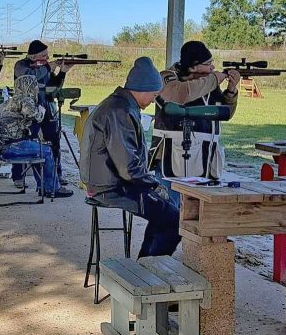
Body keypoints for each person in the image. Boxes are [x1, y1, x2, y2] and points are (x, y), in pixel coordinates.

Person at [79, 57, 180, 257]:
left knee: (166, 211)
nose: (154, 100)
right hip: (110, 187)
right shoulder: (119, 111)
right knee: (173, 218)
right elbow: (128, 168)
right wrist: (153, 184)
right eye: (154, 94)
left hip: (110, 181)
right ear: (143, 88)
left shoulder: (121, 105)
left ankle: (147, 266)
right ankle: (148, 271)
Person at [153, 41, 240, 179]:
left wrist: (231, 91)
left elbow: (225, 112)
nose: (212, 68)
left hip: (207, 157)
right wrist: (215, 78)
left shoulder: (207, 81)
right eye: (208, 64)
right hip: (171, 156)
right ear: (193, 67)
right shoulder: (166, 77)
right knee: (171, 200)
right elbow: (180, 94)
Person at [0, 75, 73, 198]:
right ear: (30, 87)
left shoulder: (10, 101)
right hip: (13, 146)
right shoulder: (24, 100)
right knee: (46, 151)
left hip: (3, 146)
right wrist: (41, 107)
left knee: (38, 149)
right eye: (35, 86)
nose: (37, 89)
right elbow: (38, 117)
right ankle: (52, 188)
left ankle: (43, 186)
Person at [12, 39, 75, 188]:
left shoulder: (44, 67)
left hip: (47, 107)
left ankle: (56, 175)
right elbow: (29, 77)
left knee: (54, 141)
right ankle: (18, 176)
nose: (47, 58)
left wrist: (62, 72)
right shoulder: (21, 65)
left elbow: (54, 87)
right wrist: (48, 67)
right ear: (33, 57)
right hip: (27, 110)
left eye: (47, 56)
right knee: (24, 140)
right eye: (44, 55)